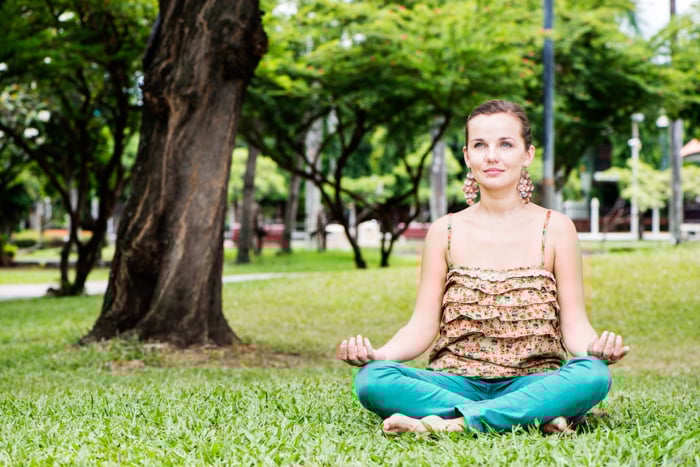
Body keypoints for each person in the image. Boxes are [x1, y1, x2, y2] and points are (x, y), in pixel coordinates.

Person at [336, 99, 630, 435]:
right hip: (453, 382)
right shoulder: (444, 231)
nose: (492, 156)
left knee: (592, 375)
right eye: (480, 145)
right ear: (467, 156)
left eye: (506, 144)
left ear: (527, 154)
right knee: (373, 380)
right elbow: (421, 325)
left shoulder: (556, 228)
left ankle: (451, 425)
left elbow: (574, 325)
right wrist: (378, 353)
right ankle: (533, 416)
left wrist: (597, 349)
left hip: (533, 381)